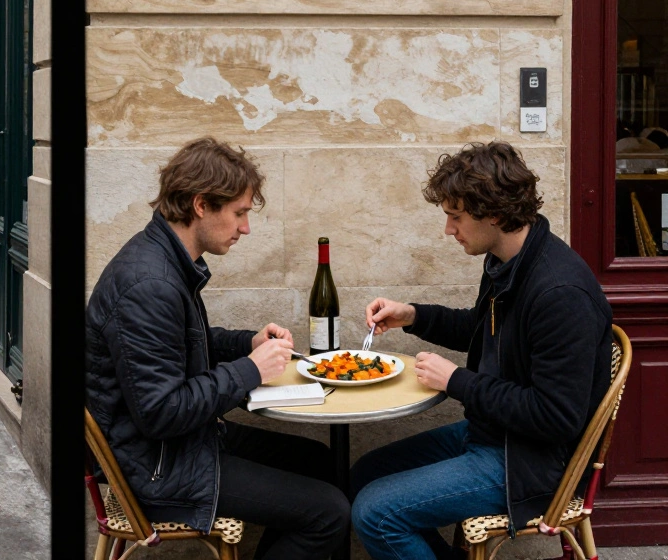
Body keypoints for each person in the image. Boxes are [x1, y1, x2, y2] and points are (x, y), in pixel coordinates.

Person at [84, 138, 349, 559]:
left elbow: (181, 344)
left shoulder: (164, 260)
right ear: (201, 204)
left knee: (319, 461)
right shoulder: (150, 284)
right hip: (156, 466)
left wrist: (248, 344)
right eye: (240, 213)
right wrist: (250, 369)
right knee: (330, 513)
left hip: (181, 445)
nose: (246, 228)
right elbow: (161, 411)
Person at [350, 142, 613, 560]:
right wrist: (413, 315)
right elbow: (483, 329)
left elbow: (556, 417)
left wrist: (457, 381)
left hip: (531, 462)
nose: (449, 230)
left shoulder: (560, 292)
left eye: (456, 217)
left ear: (492, 212)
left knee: (376, 512)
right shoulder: (508, 260)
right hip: (494, 434)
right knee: (364, 473)